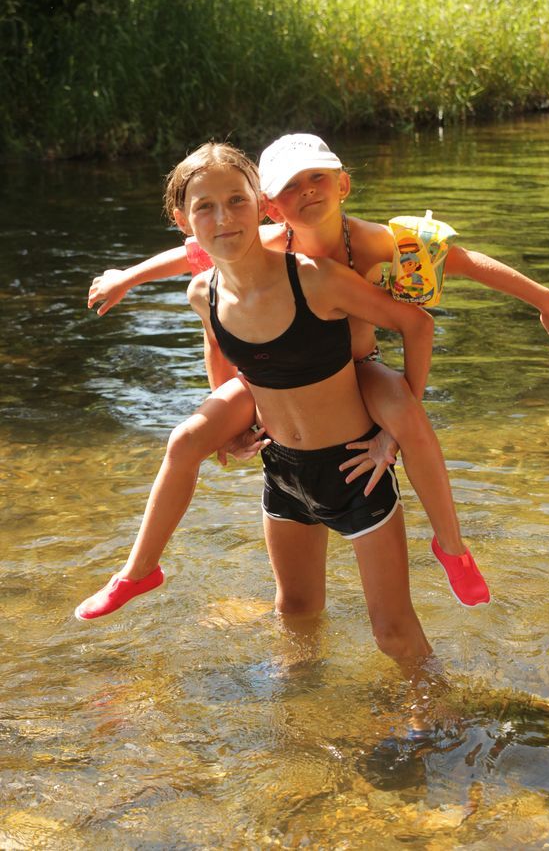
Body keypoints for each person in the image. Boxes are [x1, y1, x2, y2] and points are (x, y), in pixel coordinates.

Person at [76, 134, 549, 620]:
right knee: (186, 438)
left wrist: (546, 300)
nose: (307, 191)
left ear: (343, 183)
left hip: (359, 367)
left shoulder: (377, 242)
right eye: (291, 186)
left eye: (317, 177)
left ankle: (451, 547)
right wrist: (128, 277)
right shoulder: (262, 240)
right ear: (271, 206)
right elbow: (196, 256)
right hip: (279, 371)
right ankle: (139, 570)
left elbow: (464, 264)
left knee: (406, 415)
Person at [82, 142, 438, 672]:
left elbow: (419, 316)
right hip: (283, 471)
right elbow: (218, 346)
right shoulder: (203, 291)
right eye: (205, 207)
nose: (224, 217)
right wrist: (231, 425)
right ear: (184, 221)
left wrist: (398, 421)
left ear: (261, 206)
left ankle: (437, 709)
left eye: (236, 201)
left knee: (393, 635)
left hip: (353, 470)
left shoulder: (313, 275)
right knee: (294, 612)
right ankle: (296, 705)